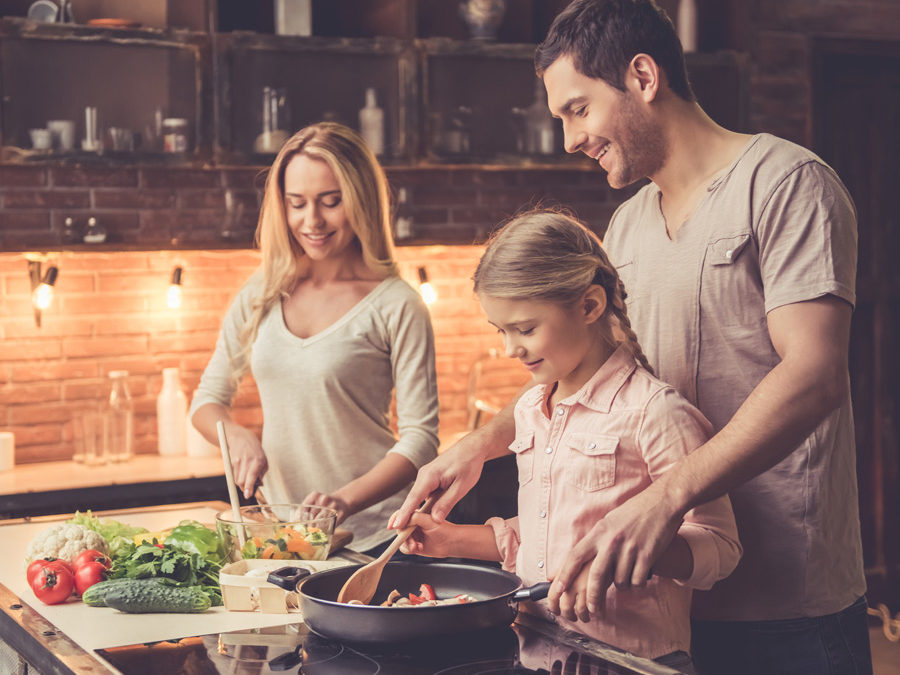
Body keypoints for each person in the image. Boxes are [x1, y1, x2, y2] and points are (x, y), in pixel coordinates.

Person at [391, 1, 871, 673]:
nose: (568, 138)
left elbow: (815, 373)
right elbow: (597, 381)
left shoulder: (787, 184)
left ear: (643, 76)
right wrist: (480, 445)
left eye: (577, 110)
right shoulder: (626, 228)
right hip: (665, 611)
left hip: (788, 603)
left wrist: (666, 499)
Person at [401, 211, 741, 668]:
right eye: (500, 330)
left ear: (589, 307)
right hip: (539, 648)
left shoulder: (654, 413)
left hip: (633, 661)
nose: (509, 349)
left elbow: (721, 549)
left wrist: (637, 548)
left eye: (525, 328)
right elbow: (544, 537)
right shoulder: (528, 411)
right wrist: (452, 541)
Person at [191, 121, 440, 555]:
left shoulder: (396, 304)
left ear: (360, 200)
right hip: (286, 537)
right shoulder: (261, 293)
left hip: (377, 539)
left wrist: (343, 501)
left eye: (330, 202)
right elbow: (206, 401)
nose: (312, 221)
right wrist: (234, 435)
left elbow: (421, 439)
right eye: (297, 204)